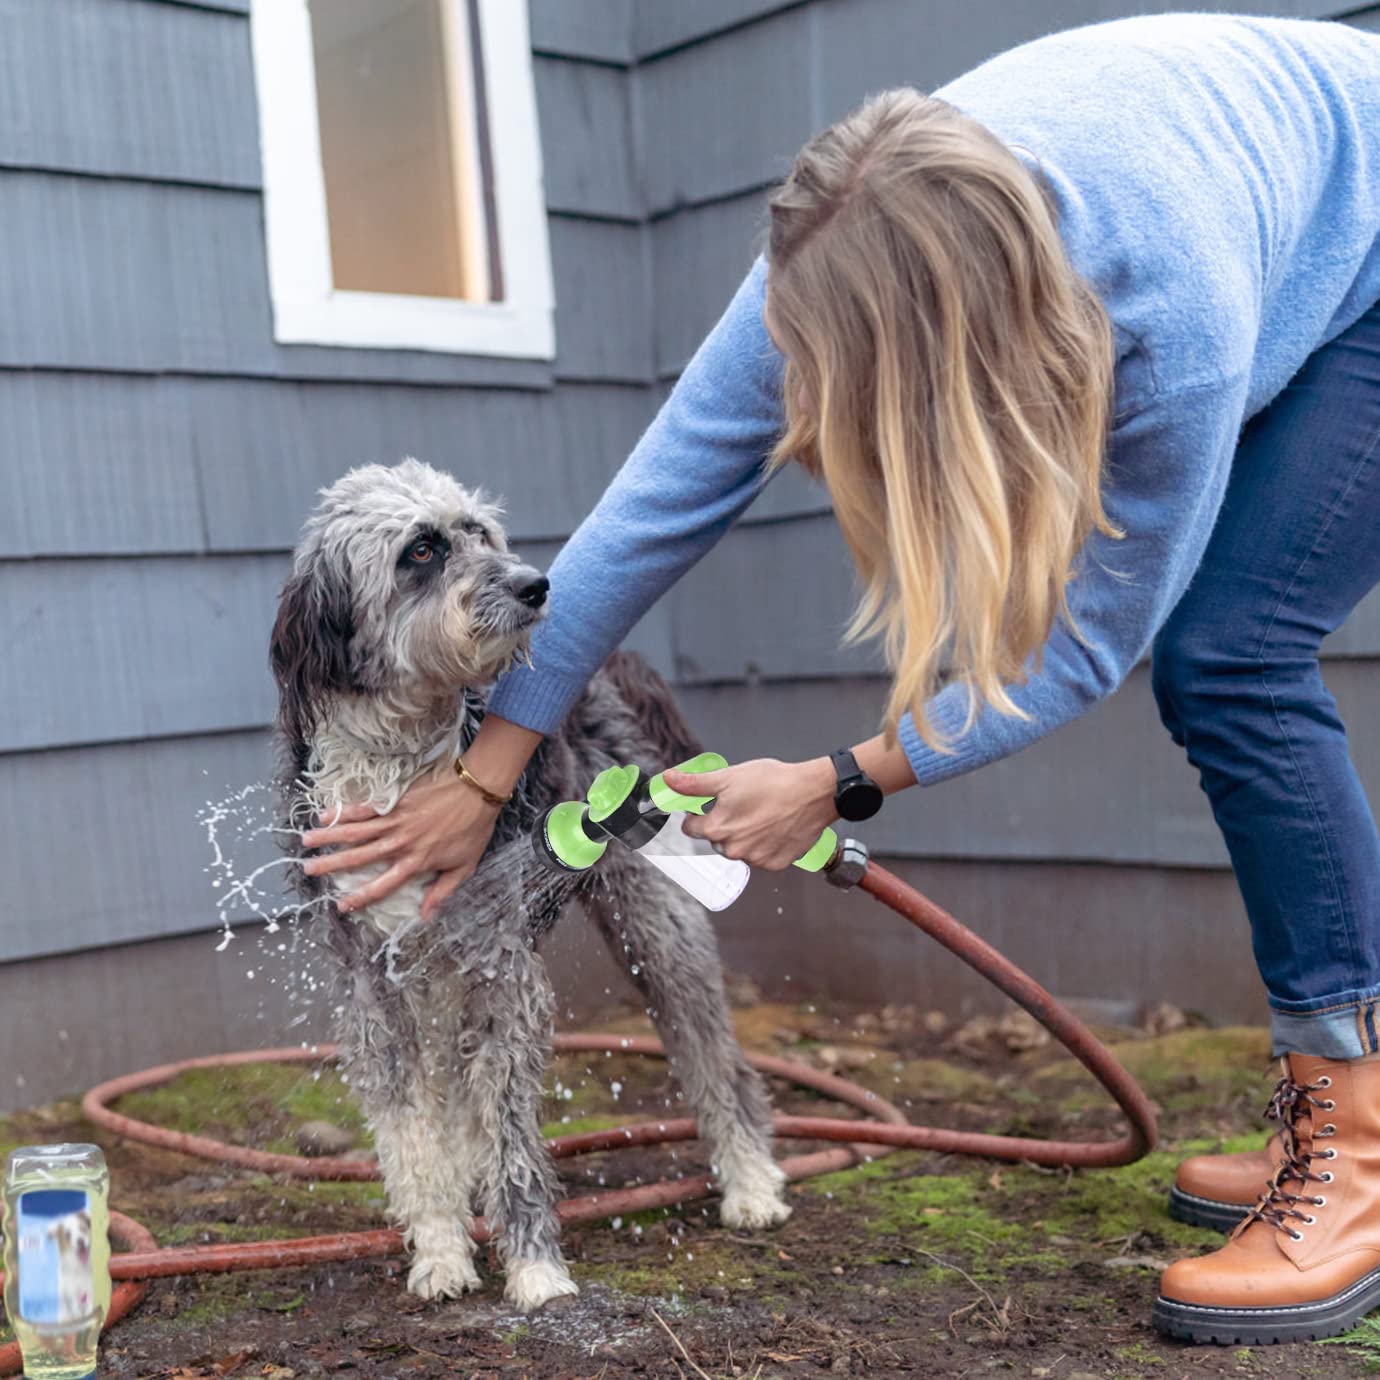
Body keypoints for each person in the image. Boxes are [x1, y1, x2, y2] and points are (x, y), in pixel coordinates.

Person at [300, 13, 1380, 1344]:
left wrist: (836, 780)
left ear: (953, 357)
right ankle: (1329, 1114)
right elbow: (641, 523)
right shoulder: (840, 252)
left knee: (1232, 656)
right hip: (1256, 167)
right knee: (1229, 653)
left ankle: (1358, 1137)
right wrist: (487, 771)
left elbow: (1094, 639)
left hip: (1360, 243)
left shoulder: (1177, 310)